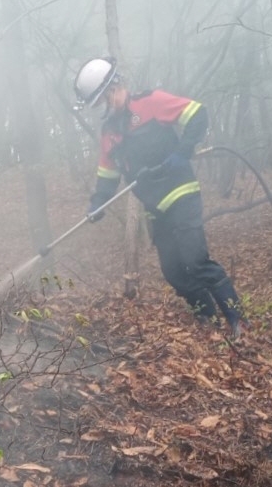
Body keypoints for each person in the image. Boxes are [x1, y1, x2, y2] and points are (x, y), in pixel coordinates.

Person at [73, 57, 248, 338]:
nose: (101, 110)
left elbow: (197, 114)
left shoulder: (150, 102)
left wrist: (183, 151)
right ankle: (206, 315)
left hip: (181, 194)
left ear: (113, 88)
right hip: (156, 207)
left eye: (101, 102)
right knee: (174, 272)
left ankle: (238, 319)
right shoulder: (109, 134)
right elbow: (107, 174)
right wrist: (97, 203)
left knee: (196, 261)